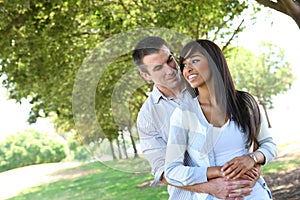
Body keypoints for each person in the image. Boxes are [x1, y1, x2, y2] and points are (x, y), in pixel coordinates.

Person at [132, 36, 260, 199]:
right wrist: (210, 187)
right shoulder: (147, 117)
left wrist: (255, 165)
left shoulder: (206, 83)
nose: (170, 70)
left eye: (170, 60)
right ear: (146, 75)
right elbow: (162, 171)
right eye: (158, 68)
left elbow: (251, 136)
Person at [164, 39, 277, 199]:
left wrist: (252, 159)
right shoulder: (183, 114)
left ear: (214, 61)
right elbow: (172, 171)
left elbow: (269, 145)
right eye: (184, 65)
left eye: (194, 61)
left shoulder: (245, 103)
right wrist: (217, 171)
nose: (187, 69)